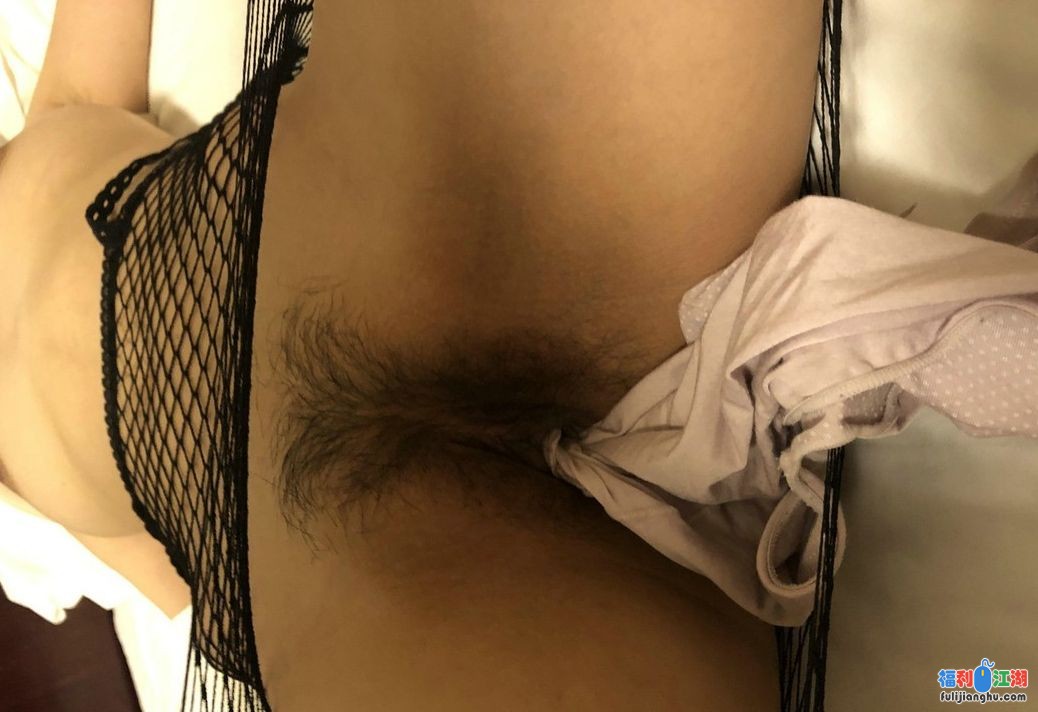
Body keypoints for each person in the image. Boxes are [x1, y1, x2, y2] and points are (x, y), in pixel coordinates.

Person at [0, 0, 833, 708]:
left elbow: (187, 590)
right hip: (326, 545)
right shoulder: (24, 510)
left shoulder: (55, 111)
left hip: (436, 191)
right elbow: (184, 590)